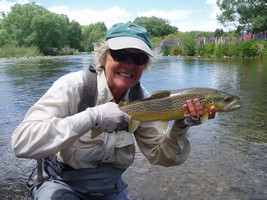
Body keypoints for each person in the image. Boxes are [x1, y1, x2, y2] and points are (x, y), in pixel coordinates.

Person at [12, 22, 216, 200]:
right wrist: (91, 117)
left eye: (139, 58)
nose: (129, 64)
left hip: (109, 190)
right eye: (121, 54)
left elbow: (162, 156)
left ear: (145, 66)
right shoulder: (73, 87)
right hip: (61, 183)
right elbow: (21, 143)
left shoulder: (142, 100)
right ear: (103, 57)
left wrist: (180, 124)